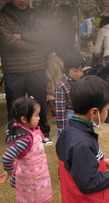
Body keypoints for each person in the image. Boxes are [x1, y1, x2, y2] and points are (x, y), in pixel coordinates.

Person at [56, 75, 109, 203]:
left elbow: (77, 165)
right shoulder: (81, 142)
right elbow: (88, 182)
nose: (107, 113)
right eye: (107, 109)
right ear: (94, 112)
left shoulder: (70, 131)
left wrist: (102, 162)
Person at [0, 0, 52, 145]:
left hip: (36, 67)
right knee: (15, 104)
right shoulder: (3, 17)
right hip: (14, 68)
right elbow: (7, 41)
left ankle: (42, 132)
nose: (22, 1)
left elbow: (45, 36)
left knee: (39, 101)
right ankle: (15, 134)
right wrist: (35, 47)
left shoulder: (37, 15)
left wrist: (22, 35)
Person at [0, 97, 53, 203]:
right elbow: (7, 156)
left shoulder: (30, 129)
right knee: (28, 200)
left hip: (37, 173)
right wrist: (9, 171)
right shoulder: (24, 139)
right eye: (36, 115)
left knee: (38, 192)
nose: (39, 118)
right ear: (24, 119)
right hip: (27, 176)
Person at [45, 4, 77, 116]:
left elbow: (55, 37)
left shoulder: (64, 25)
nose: (58, 13)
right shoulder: (70, 24)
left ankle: (60, 104)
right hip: (66, 55)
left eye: (60, 11)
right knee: (64, 81)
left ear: (64, 13)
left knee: (57, 81)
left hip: (60, 55)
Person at [55, 51, 85, 139]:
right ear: (67, 69)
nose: (79, 74)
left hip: (80, 115)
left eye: (81, 71)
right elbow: (60, 112)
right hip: (69, 116)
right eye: (75, 71)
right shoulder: (61, 86)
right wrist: (62, 131)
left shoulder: (81, 81)